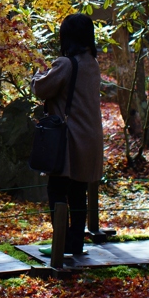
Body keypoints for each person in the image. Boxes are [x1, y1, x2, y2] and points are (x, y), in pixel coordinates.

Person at [31, 13, 104, 257]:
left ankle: (60, 243)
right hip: (90, 138)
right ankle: (75, 244)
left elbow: (41, 89)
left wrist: (37, 74)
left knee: (57, 189)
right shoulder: (92, 64)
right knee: (78, 194)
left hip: (69, 139)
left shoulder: (65, 64)